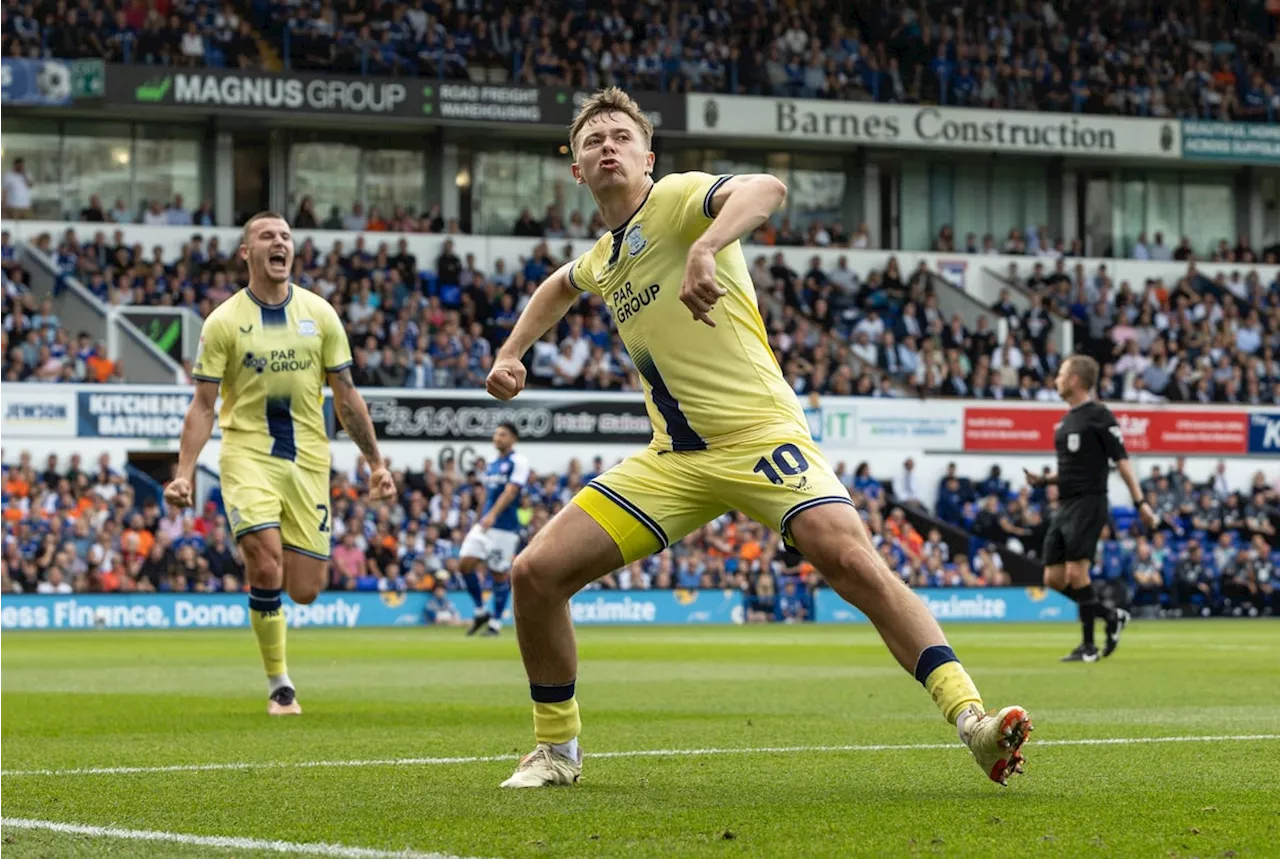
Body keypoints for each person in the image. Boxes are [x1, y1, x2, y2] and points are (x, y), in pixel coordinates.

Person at [485, 88, 1030, 790]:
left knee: (852, 559)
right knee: (533, 574)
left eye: (622, 136)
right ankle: (556, 750)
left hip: (759, 435)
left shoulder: (678, 198)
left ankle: (973, 722)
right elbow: (559, 286)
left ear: (648, 158)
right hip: (675, 460)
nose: (608, 146)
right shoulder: (603, 257)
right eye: (594, 141)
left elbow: (767, 186)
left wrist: (708, 245)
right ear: (576, 170)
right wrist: (511, 352)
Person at [164, 211, 395, 715]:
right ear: (246, 252)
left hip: (309, 460)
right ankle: (280, 685)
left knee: (306, 590)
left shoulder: (320, 314)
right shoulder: (223, 321)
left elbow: (347, 395)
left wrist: (376, 462)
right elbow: (203, 405)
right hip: (246, 454)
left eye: (286, 236)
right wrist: (183, 473)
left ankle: (275, 606)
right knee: (264, 560)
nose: (280, 242)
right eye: (267, 236)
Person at [1025, 355, 1158, 663]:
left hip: (1090, 501)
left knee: (1076, 572)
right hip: (1066, 504)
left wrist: (1141, 504)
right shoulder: (1064, 423)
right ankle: (1110, 617)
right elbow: (1070, 471)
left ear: (1074, 380)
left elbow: (1122, 461)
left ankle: (1088, 646)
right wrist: (1044, 480)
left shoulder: (1100, 415)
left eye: (1061, 374)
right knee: (1053, 580)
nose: (1056, 379)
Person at [459, 421, 529, 636]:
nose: (498, 437)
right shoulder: (491, 463)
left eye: (503, 434)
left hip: (504, 528)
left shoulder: (518, 461)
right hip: (485, 524)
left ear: (513, 438)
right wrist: (479, 517)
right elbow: (487, 494)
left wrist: (493, 515)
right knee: (465, 563)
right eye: (496, 434)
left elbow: (510, 492)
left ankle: (495, 623)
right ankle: (481, 611)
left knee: (498, 574)